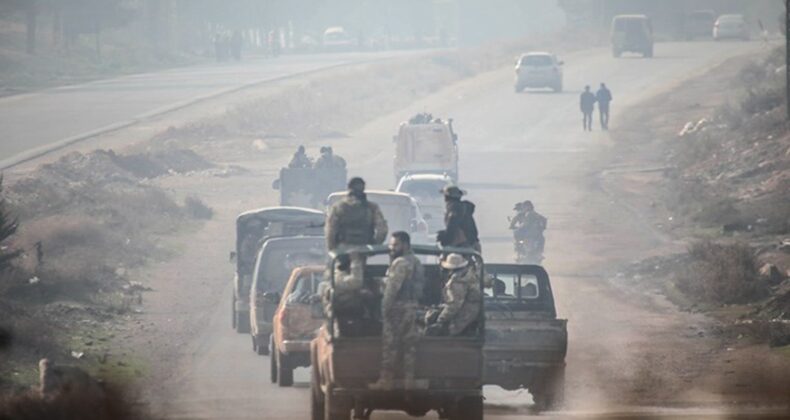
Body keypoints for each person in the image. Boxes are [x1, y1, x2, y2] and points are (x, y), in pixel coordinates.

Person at [370, 232, 424, 390]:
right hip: (412, 307)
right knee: (409, 347)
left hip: (398, 309)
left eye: (396, 245)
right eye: (391, 245)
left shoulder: (400, 263)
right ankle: (409, 381)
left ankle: (386, 381)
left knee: (390, 345)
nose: (392, 248)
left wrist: (384, 309)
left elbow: (392, 289)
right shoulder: (416, 262)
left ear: (405, 245)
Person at [325, 177, 388, 252]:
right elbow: (382, 230)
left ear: (349, 188)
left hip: (343, 248)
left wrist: (332, 248)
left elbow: (331, 230)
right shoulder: (372, 208)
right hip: (365, 248)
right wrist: (374, 244)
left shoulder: (338, 207)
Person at [426, 253, 482, 336]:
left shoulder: (457, 280)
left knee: (441, 331)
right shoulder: (471, 274)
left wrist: (440, 319)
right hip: (473, 310)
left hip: (466, 312)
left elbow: (454, 304)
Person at [437, 186, 480, 252]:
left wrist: (445, 239)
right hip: (473, 245)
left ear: (446, 198)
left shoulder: (454, 209)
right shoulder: (464, 208)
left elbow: (452, 227)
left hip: (463, 247)